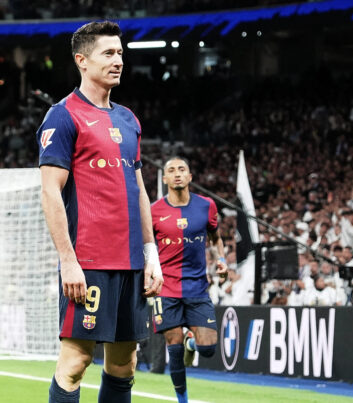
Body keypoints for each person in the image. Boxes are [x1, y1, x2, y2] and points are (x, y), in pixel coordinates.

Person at [37, 21, 163, 403]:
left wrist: (151, 253)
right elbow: (50, 192)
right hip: (89, 261)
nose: (118, 60)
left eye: (121, 53)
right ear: (82, 60)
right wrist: (68, 261)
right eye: (108, 53)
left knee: (124, 363)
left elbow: (139, 190)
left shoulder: (129, 120)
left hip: (130, 262)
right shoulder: (63, 115)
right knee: (76, 361)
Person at [149, 157, 225, 403]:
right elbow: (146, 247)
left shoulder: (206, 206)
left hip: (197, 288)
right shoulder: (153, 211)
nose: (177, 174)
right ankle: (182, 399)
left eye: (182, 169)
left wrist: (221, 259)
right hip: (166, 287)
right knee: (174, 344)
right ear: (165, 179)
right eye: (171, 171)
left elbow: (215, 237)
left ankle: (194, 345)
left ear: (190, 177)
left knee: (209, 348)